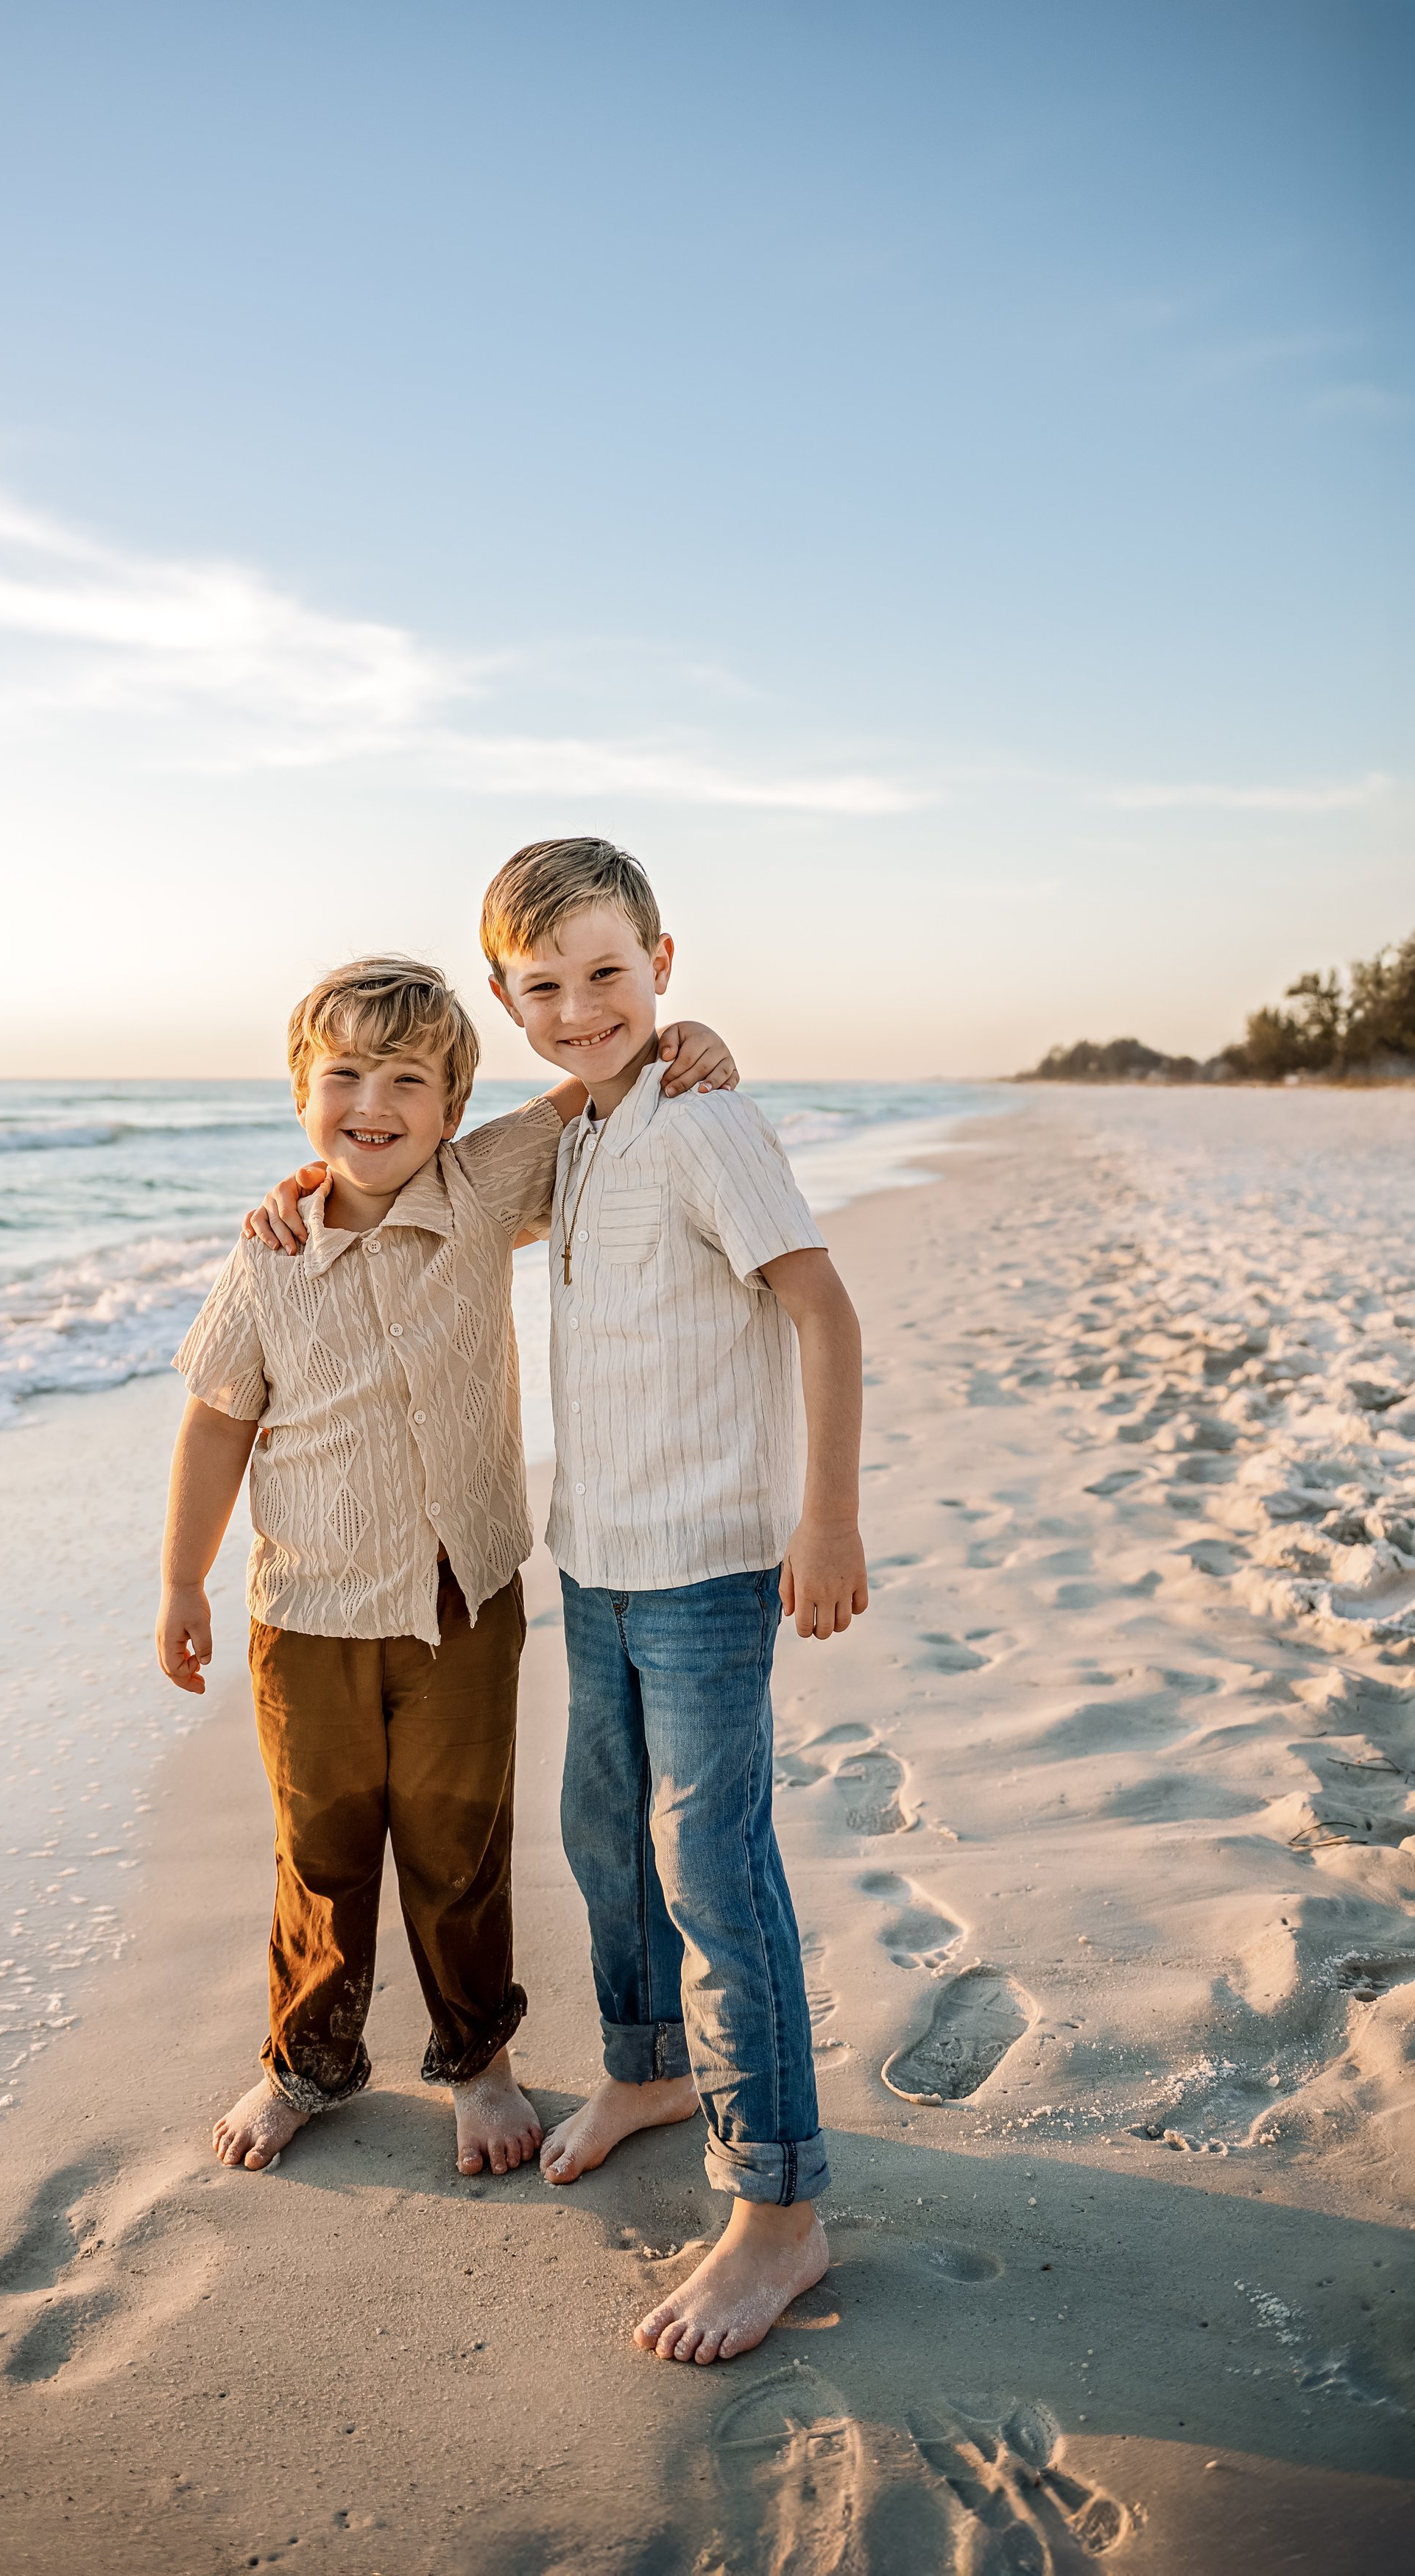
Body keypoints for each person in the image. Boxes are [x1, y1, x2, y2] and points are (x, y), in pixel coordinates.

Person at [155, 953, 738, 2179]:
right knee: (319, 1851)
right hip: (305, 1614)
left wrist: (689, 1046)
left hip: (463, 1602)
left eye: (407, 1078)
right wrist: (179, 1584)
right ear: (302, 1095)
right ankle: (305, 2061)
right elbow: (215, 1421)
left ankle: (478, 2061)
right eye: (345, 1075)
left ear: (452, 1106)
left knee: (457, 1846)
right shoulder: (267, 1254)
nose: (373, 1101)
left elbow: (597, 1086)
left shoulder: (480, 1190)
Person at [478, 836, 869, 2365]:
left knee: (713, 1869)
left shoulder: (703, 1116)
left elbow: (821, 1310)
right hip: (593, 1558)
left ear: (661, 962)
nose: (581, 1008)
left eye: (608, 976)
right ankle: (645, 2070)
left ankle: (777, 2209)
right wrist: (324, 1172)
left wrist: (822, 1519)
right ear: (511, 1004)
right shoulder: (585, 1127)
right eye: (545, 988)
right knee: (602, 1836)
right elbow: (449, 1180)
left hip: (709, 1562)